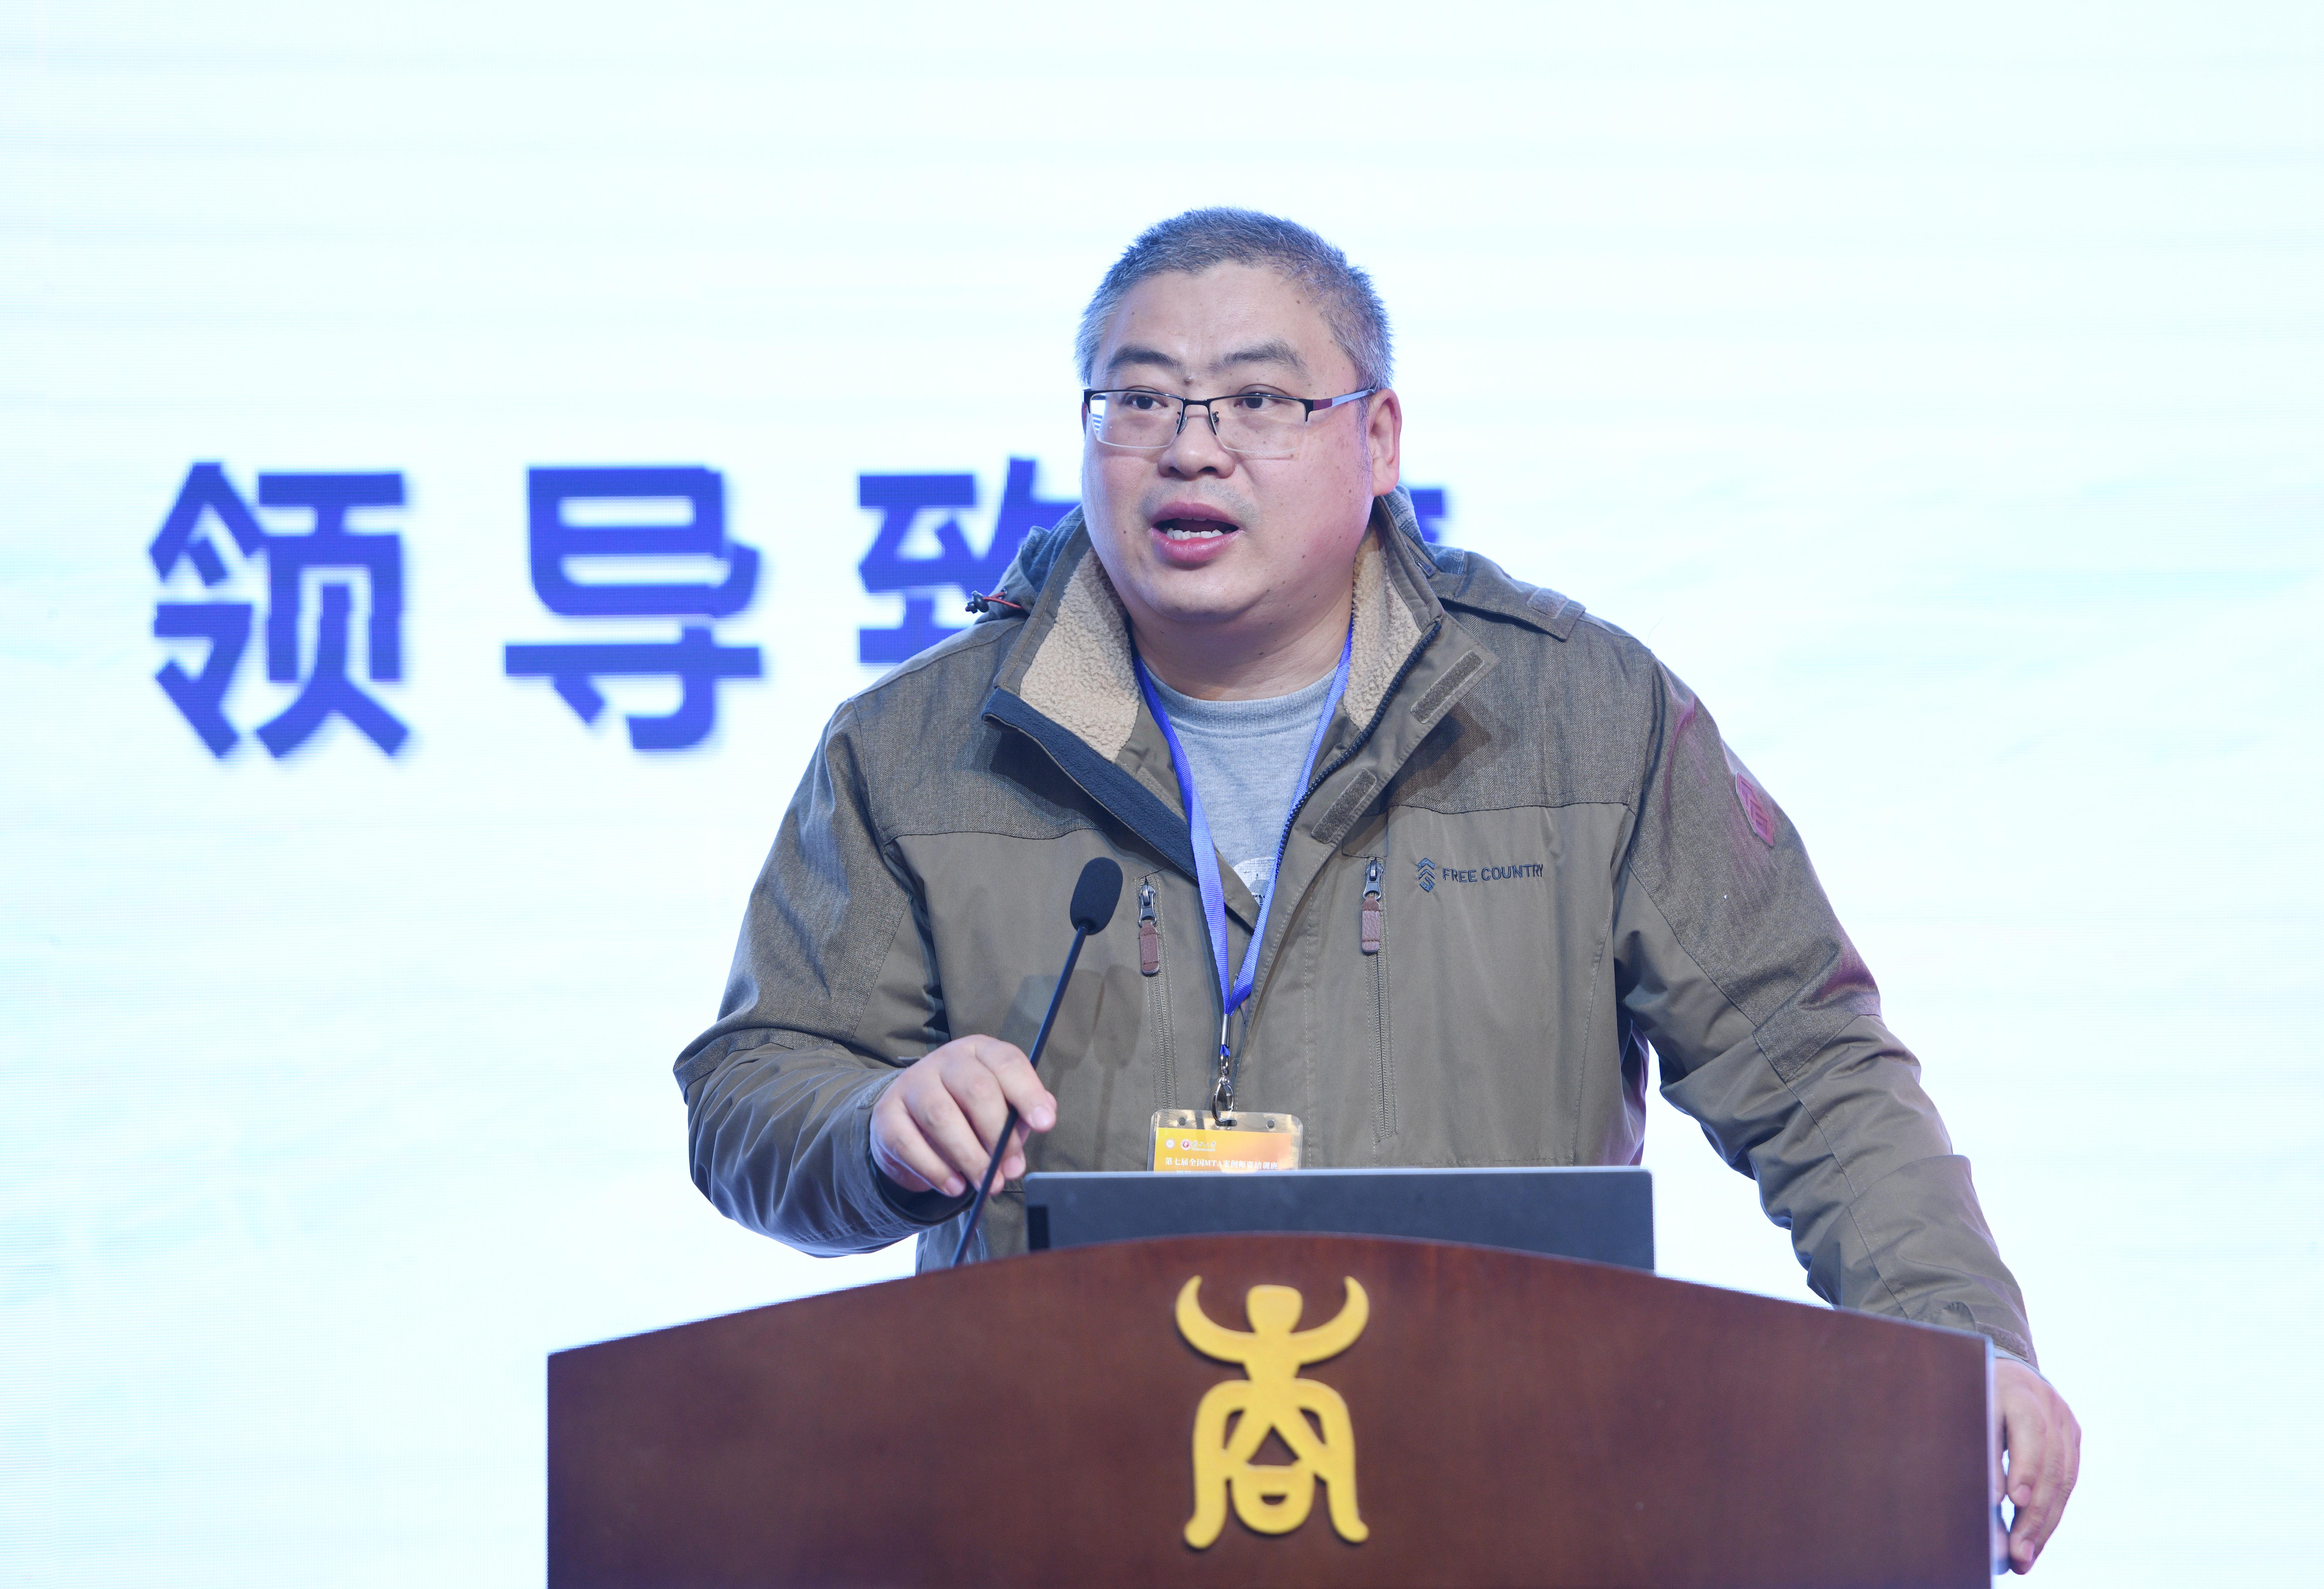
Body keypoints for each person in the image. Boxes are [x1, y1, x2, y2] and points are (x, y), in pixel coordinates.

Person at [674, 208, 2081, 1571]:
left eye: (1258, 402)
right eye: (1139, 400)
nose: (1190, 448)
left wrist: (1954, 1343)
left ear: (1380, 437)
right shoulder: (920, 746)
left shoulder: (1575, 715)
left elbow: (1808, 1067)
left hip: (1512, 1502)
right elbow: (753, 1083)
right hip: (1060, 1505)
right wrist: (875, 1123)